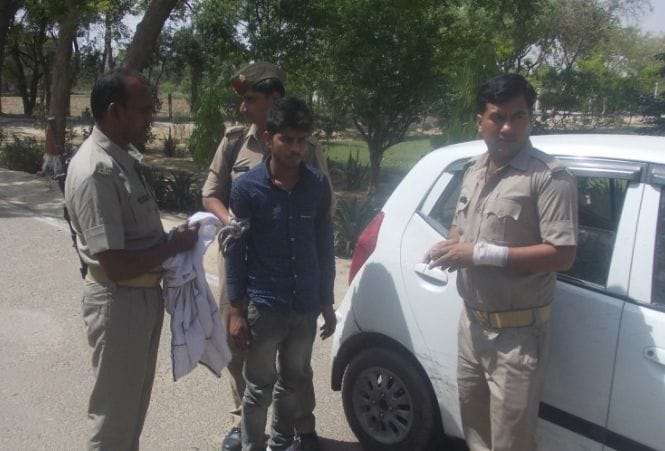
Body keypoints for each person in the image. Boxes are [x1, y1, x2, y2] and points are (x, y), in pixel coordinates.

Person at [426, 73, 578, 451]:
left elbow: (563, 255)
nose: (508, 127)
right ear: (480, 121)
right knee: (475, 432)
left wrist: (479, 253)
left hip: (517, 337)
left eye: (518, 116)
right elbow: (462, 225)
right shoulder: (473, 170)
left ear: (529, 119)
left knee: (512, 442)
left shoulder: (549, 177)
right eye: (498, 117)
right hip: (471, 326)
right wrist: (450, 247)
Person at [64, 69, 199, 450]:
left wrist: (170, 241)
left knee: (130, 414)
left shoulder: (120, 159)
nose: (150, 118)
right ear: (114, 111)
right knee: (113, 420)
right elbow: (116, 265)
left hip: (139, 300)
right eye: (143, 110)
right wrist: (173, 246)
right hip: (118, 302)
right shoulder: (96, 171)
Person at [201, 61, 332, 451]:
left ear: (274, 99)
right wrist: (238, 224)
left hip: (295, 274)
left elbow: (321, 220)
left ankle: (300, 427)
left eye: (251, 98)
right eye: (243, 99)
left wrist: (325, 296)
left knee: (296, 365)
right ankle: (244, 426)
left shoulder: (309, 153)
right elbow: (211, 194)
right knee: (241, 350)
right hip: (241, 260)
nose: (243, 107)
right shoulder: (234, 142)